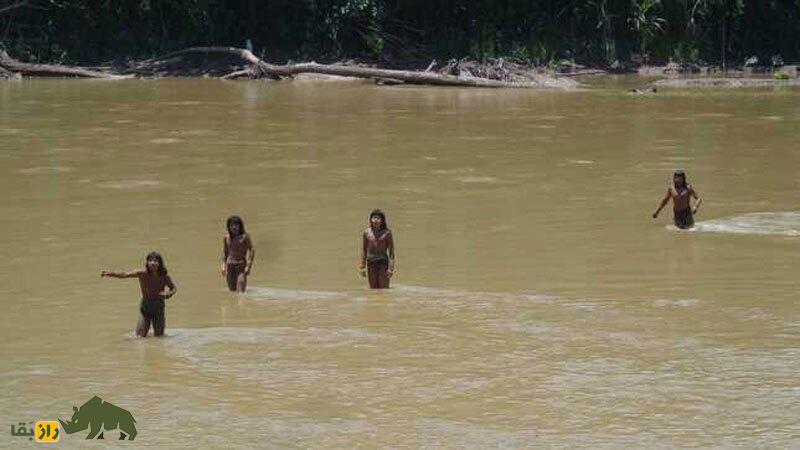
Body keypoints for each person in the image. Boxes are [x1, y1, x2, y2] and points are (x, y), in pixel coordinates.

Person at [101, 251, 177, 337]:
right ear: (147, 263)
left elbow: (173, 288)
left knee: (159, 337)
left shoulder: (164, 276)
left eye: (155, 261)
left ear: (159, 263)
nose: (153, 263)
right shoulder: (142, 273)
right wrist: (110, 273)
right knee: (139, 337)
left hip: (159, 308)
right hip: (145, 307)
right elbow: (124, 274)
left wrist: (168, 294)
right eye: (150, 260)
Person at [359, 209, 395, 289]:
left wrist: (390, 268)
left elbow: (391, 252)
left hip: (383, 263)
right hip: (371, 262)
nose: (375, 220)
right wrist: (362, 266)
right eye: (374, 218)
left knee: (384, 288)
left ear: (382, 220)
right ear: (370, 220)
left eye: (378, 218)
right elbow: (364, 250)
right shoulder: (366, 232)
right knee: (373, 289)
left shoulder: (387, 233)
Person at [221, 215, 255, 292]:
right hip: (230, 266)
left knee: (240, 291)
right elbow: (225, 253)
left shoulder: (245, 237)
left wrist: (248, 266)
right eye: (231, 225)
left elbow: (252, 250)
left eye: (236, 225)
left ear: (240, 226)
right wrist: (223, 266)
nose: (234, 227)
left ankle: (242, 304)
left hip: (241, 266)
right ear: (228, 227)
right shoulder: (226, 238)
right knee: (232, 291)